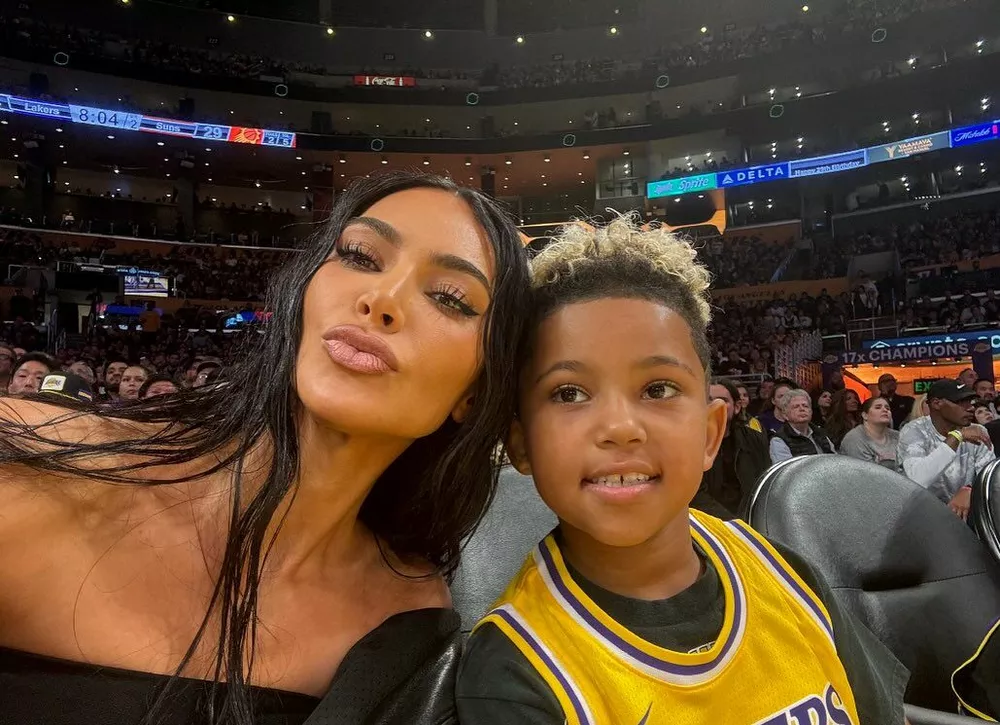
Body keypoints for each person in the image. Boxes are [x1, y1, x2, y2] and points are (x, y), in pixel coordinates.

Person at [0, 172, 531, 725]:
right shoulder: (32, 459)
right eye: (360, 256)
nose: (382, 299)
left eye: (449, 298)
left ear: (476, 392)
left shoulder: (409, 617)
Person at [456, 217, 907, 725]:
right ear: (521, 445)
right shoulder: (513, 673)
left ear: (710, 434)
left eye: (658, 389)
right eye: (569, 393)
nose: (621, 428)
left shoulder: (784, 572)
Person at [898, 379, 995, 521]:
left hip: (967, 517)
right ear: (937, 403)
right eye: (961, 402)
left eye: (970, 402)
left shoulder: (978, 430)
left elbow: (991, 480)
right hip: (920, 519)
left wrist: (971, 490)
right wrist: (957, 436)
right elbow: (918, 479)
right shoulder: (913, 430)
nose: (970, 408)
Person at [696, 377, 771, 518]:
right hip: (708, 522)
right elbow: (696, 495)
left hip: (751, 518)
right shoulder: (691, 443)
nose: (715, 405)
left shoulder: (755, 439)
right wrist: (733, 523)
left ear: (737, 407)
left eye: (722, 400)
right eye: (708, 400)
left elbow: (766, 483)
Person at [770, 389, 836, 463]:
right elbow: (787, 469)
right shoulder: (779, 440)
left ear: (811, 411)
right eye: (796, 407)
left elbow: (835, 459)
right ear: (785, 415)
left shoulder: (820, 433)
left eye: (805, 406)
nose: (802, 409)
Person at [838, 397, 901, 472]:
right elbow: (866, 473)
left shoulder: (898, 436)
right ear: (865, 415)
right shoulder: (854, 438)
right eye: (878, 407)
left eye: (888, 408)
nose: (885, 410)